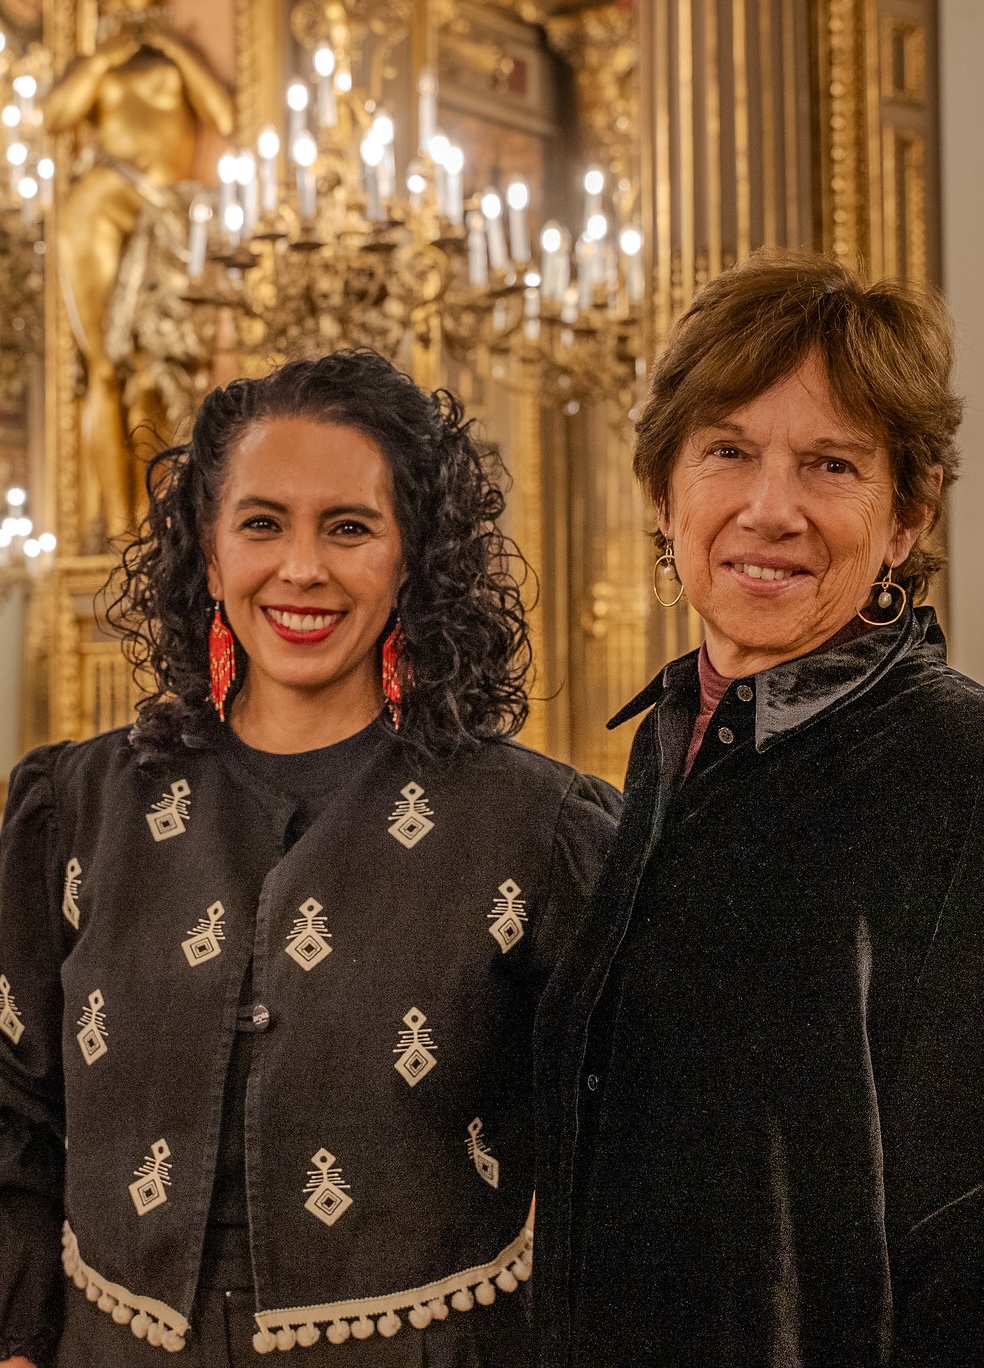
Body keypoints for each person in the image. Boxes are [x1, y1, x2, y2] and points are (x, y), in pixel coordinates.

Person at [0, 349, 620, 1367]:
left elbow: (636, 1162)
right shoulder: (77, 809)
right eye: (262, 523)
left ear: (413, 556)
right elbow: (10, 1110)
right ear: (208, 553)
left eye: (349, 527)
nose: (301, 568)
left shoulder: (539, 830)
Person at [533, 250, 984, 1367]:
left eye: (831, 464)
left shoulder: (959, 766)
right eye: (728, 451)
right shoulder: (669, 740)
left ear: (905, 518)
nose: (768, 509)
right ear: (664, 492)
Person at [44, 2, 234, 542]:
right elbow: (56, 117)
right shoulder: (96, 60)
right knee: (104, 366)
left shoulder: (179, 56)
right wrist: (102, 59)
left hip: (169, 213)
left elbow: (222, 117)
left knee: (160, 369)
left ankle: (161, 528)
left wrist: (174, 49)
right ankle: (120, 531)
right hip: (98, 208)